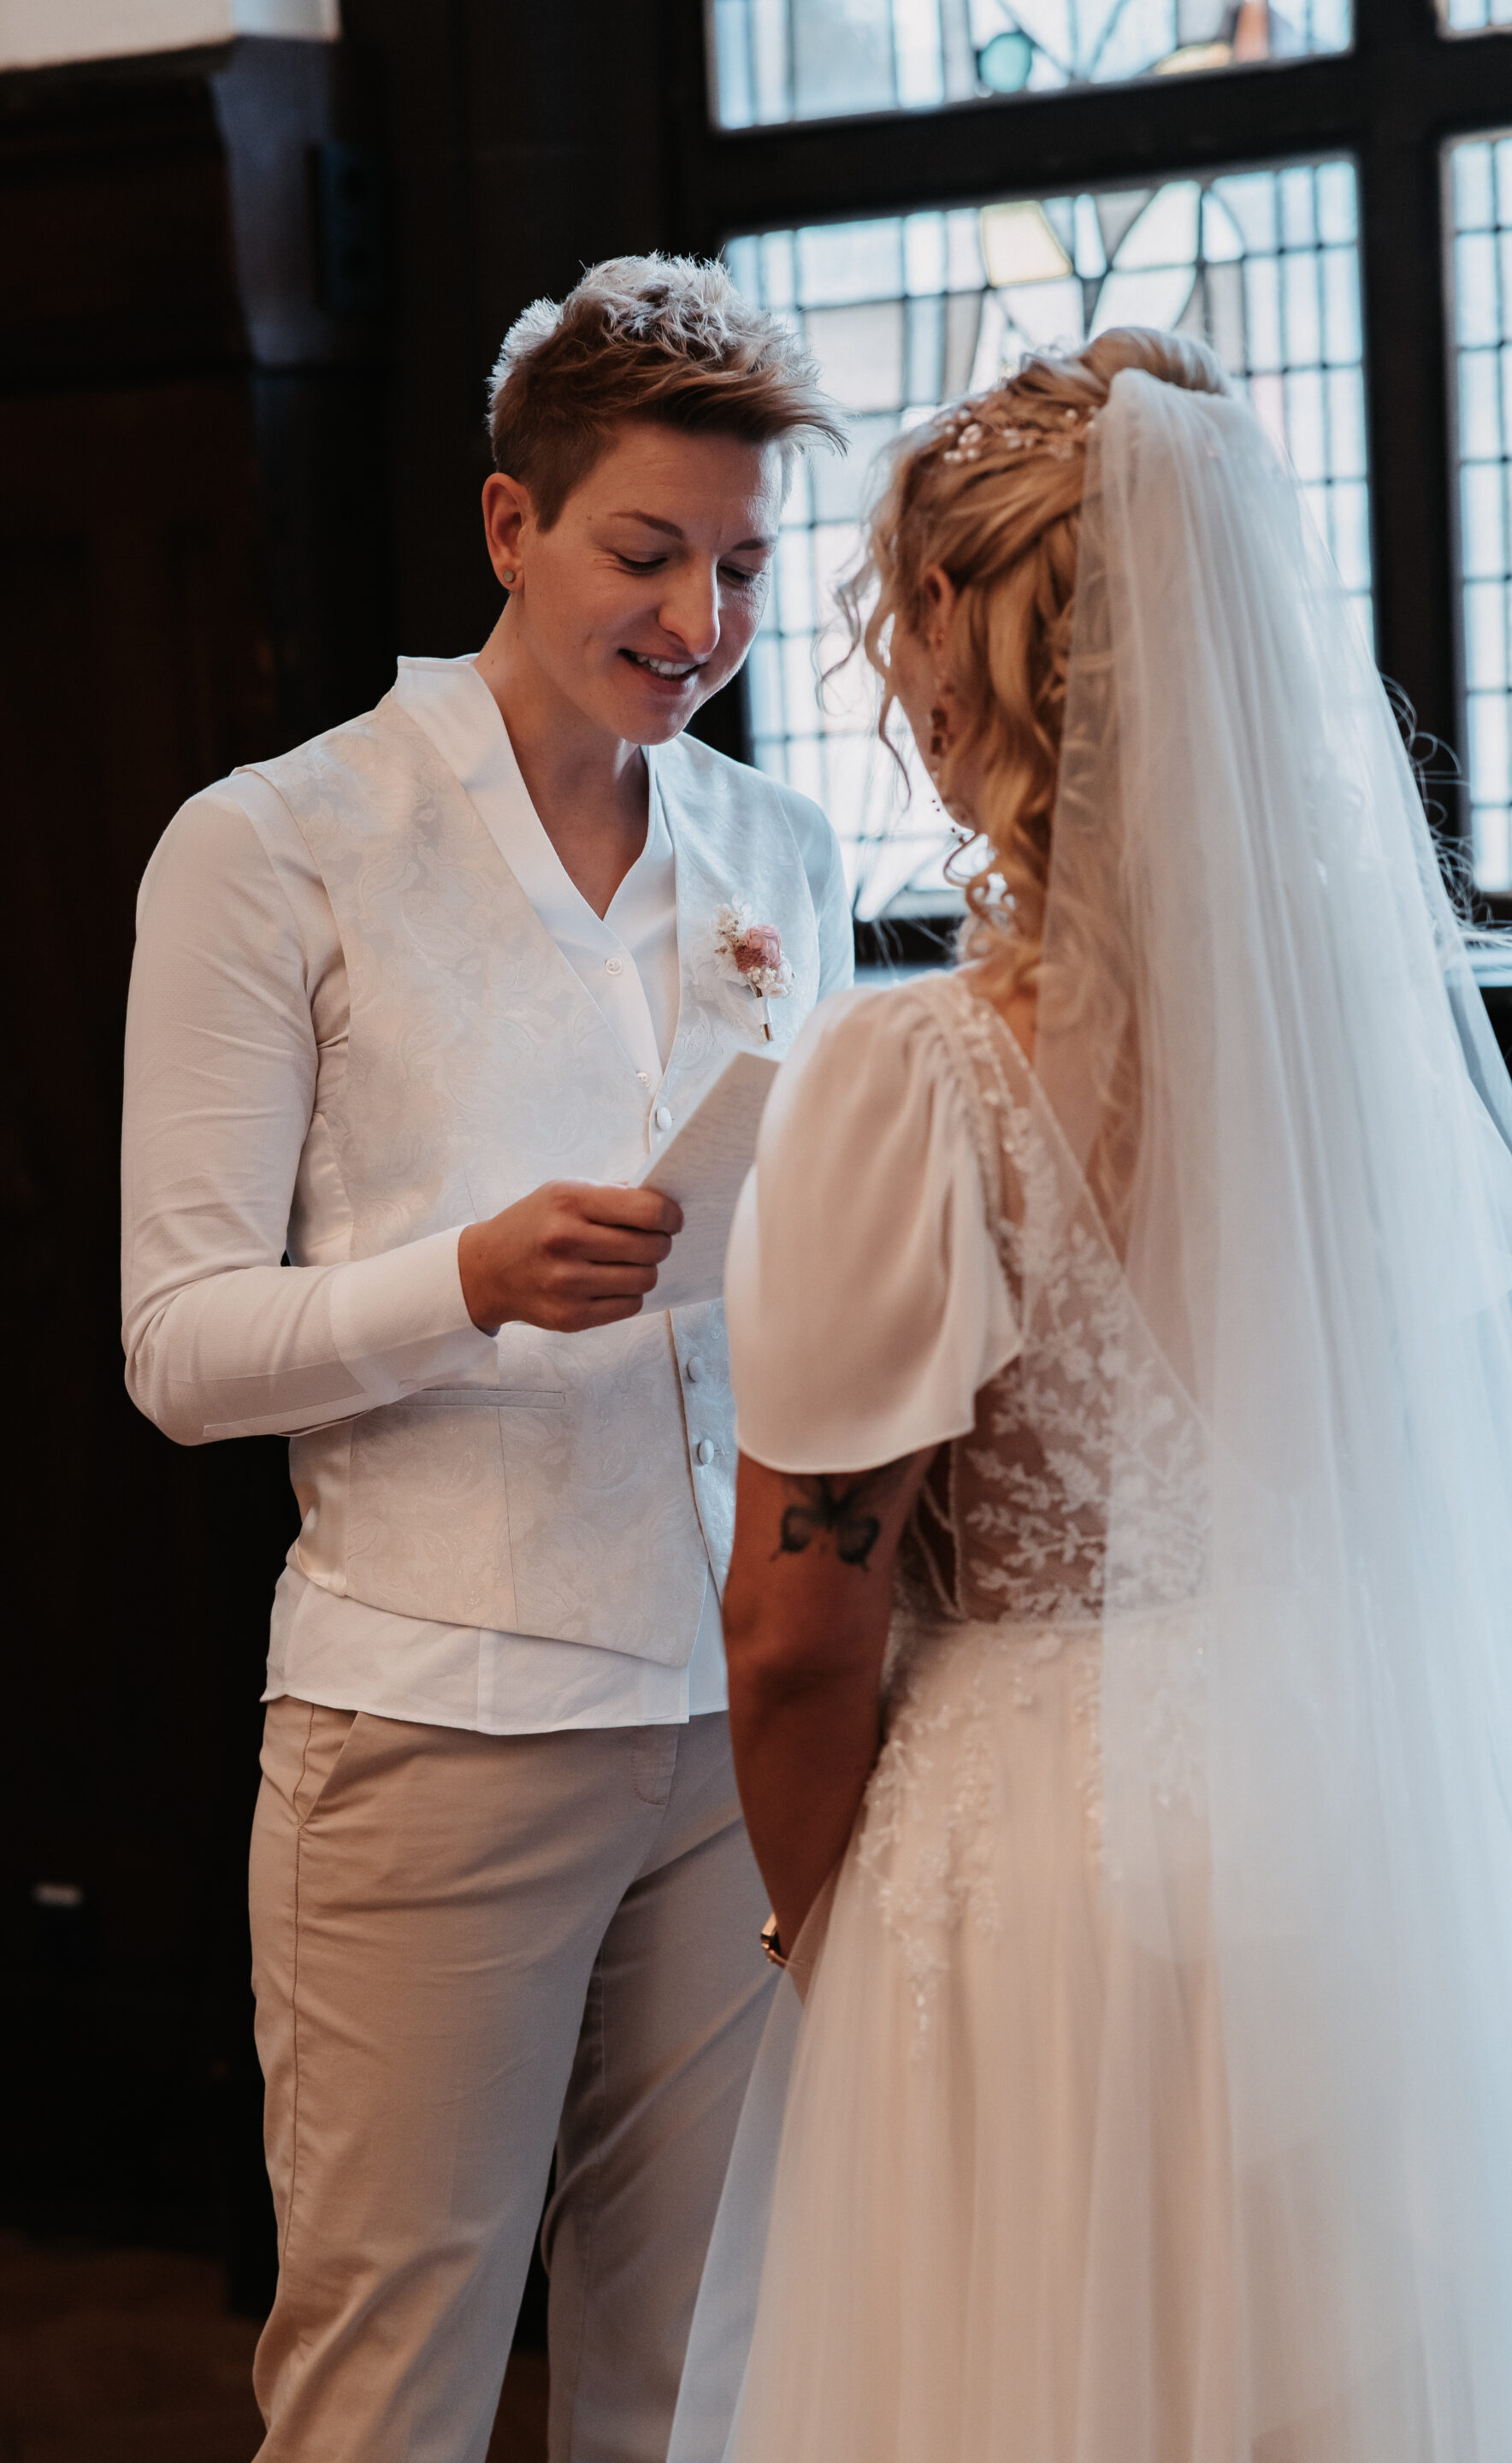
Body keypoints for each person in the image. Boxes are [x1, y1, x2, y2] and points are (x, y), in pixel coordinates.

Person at [668, 328, 1512, 2463]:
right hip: (1345, 1844)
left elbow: (794, 1629)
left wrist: (820, 1934)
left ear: (961, 646)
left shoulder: (915, 1082)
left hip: (1035, 1874)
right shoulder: (1372, 1066)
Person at [120, 255, 851, 2463]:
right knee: (389, 2401)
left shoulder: (780, 853)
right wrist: (469, 1278)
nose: (698, 622)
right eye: (648, 553)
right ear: (511, 527)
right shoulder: (272, 853)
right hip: (431, 1731)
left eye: (739, 567)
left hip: (732, 1732)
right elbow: (178, 1347)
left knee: (686, 2386)